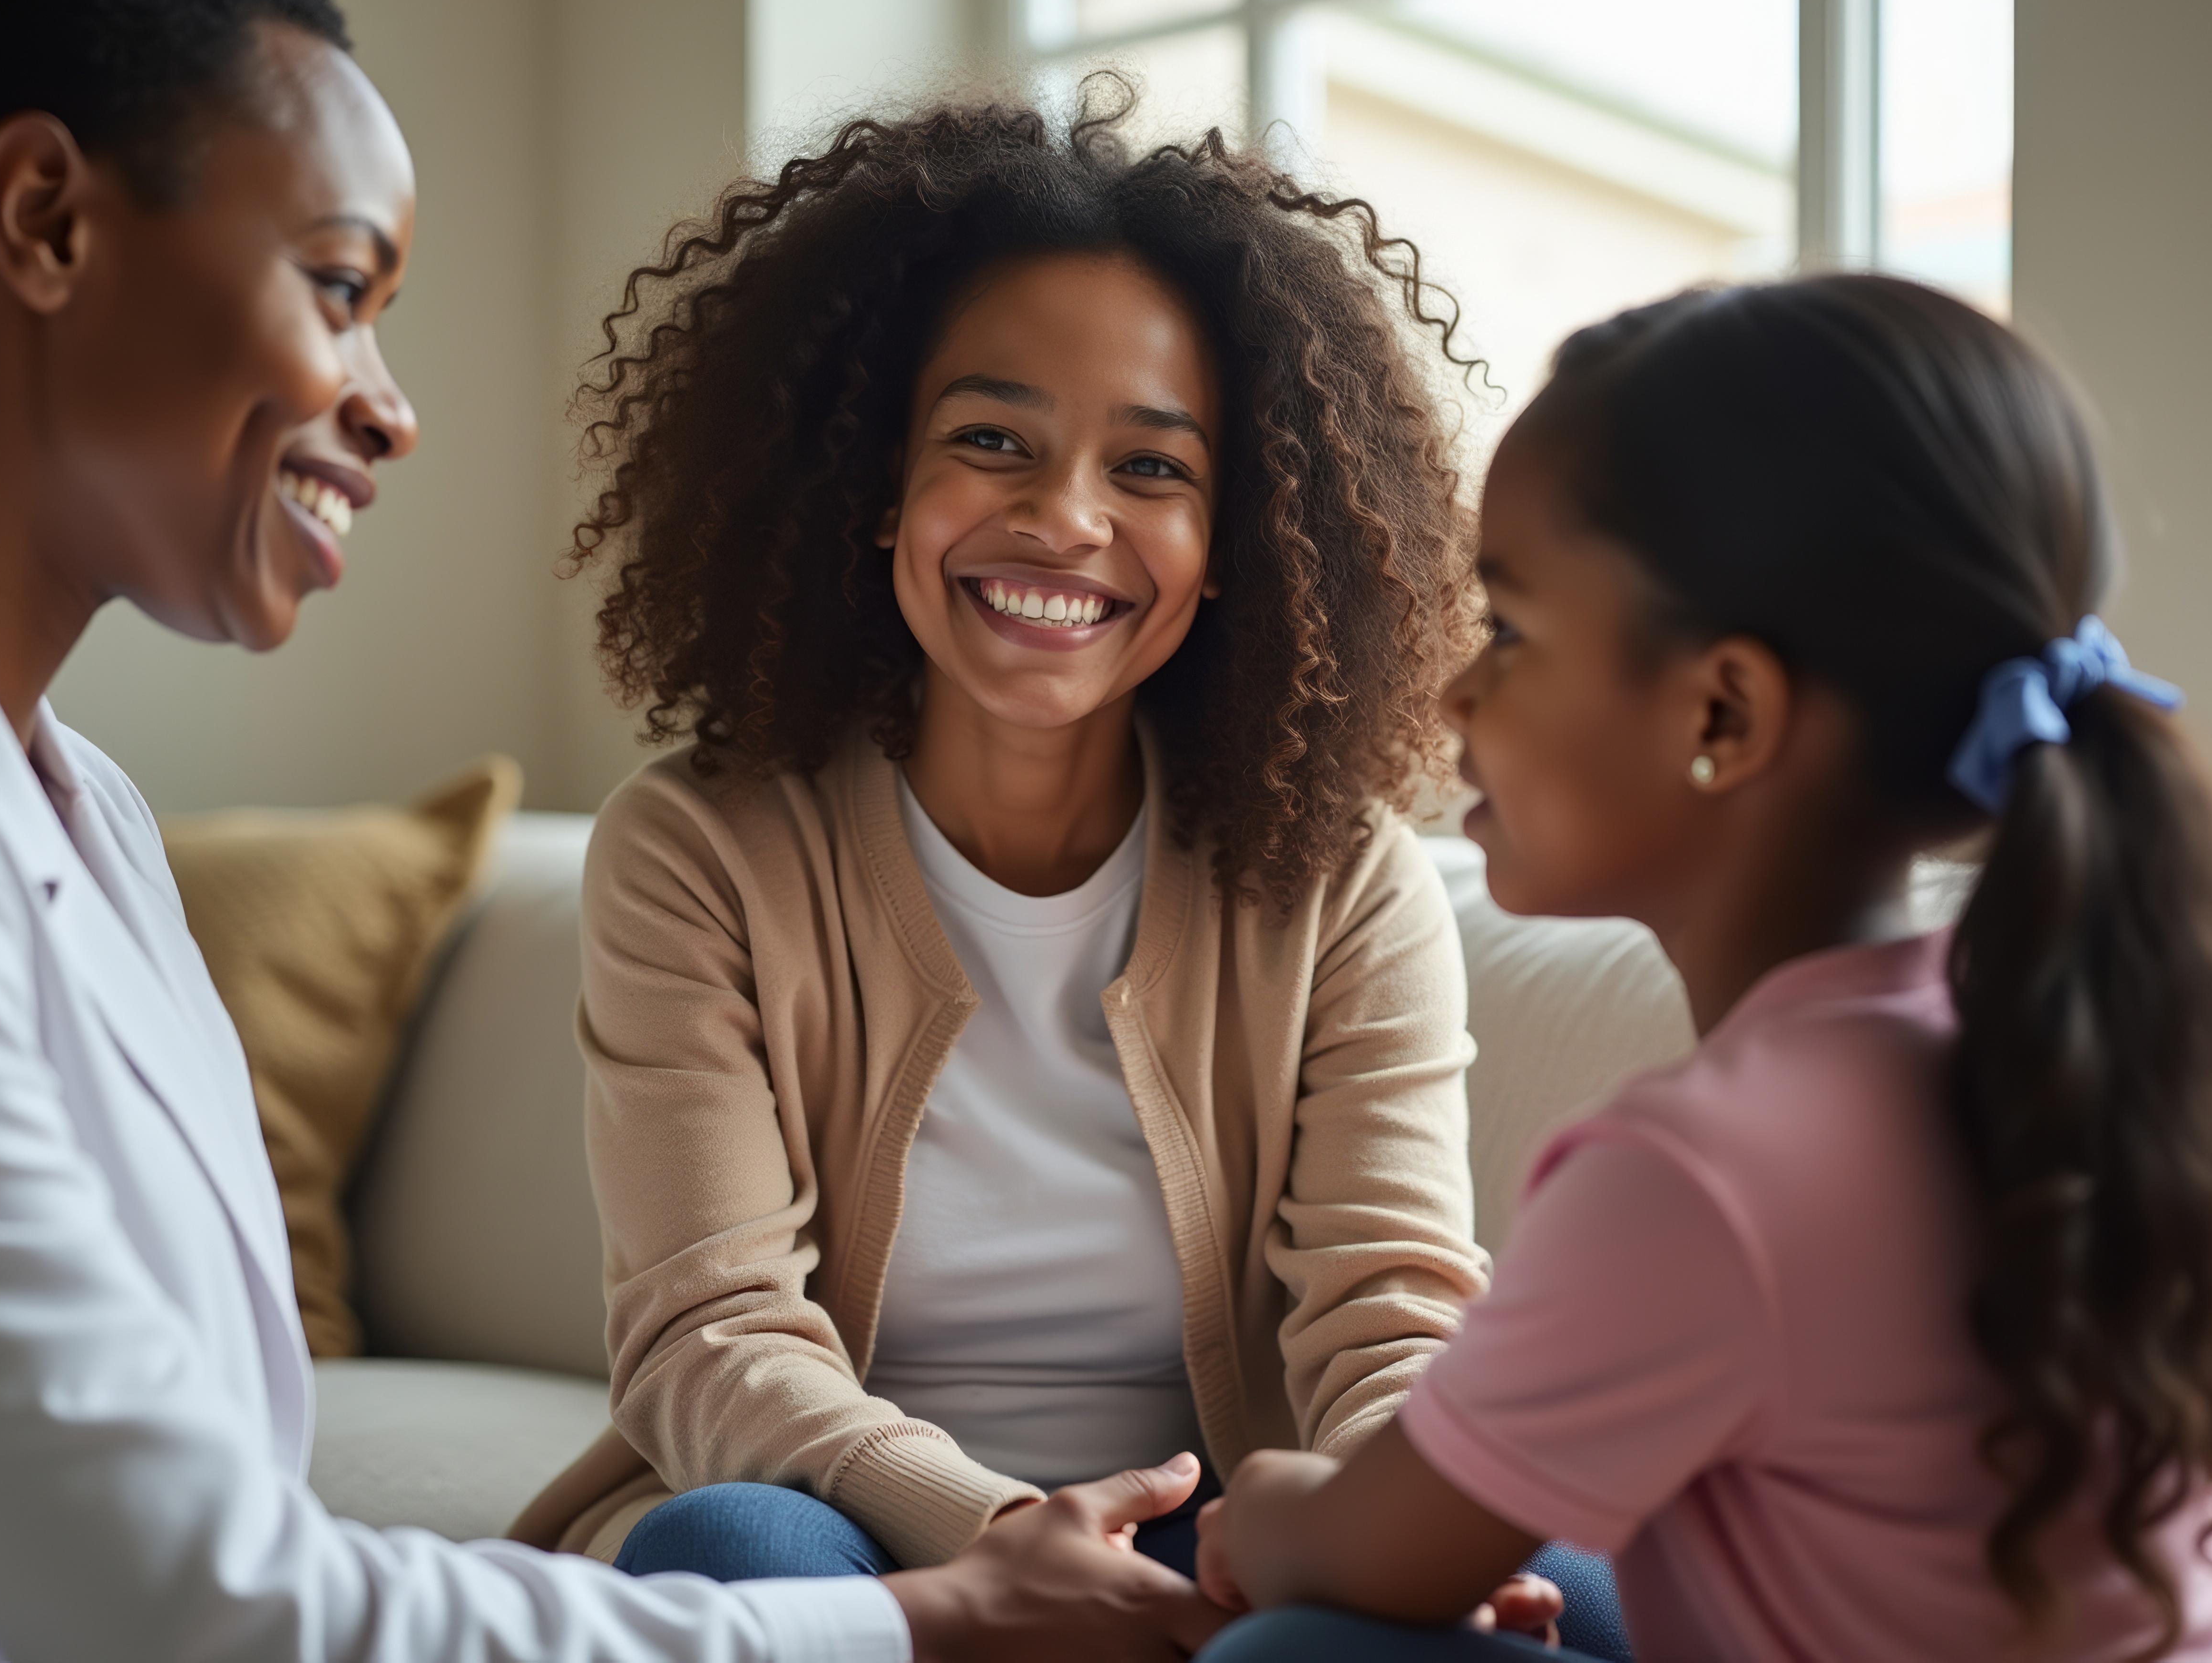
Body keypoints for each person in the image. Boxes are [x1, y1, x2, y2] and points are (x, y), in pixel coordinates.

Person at [0, 0, 1229, 1658]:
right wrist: (935, 1614)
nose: (392, 404)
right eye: (341, 288)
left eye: (1155, 464)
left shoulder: (82, 813)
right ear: (46, 219)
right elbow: (200, 1599)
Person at [507, 84, 1597, 1632]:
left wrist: (1395, 1537)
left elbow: (1390, 1310)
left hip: (1228, 1536)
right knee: (736, 1556)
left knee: (1595, 1588)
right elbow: (708, 1336)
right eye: (991, 440)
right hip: (856, 1526)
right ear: (877, 484)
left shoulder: (1341, 879)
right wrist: (1003, 1532)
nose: (1062, 518)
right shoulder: (697, 849)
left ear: (1235, 543)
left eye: (1151, 469)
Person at [1192, 276, 2212, 1661]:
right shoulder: (2018, 1043)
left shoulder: (1697, 1174)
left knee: (1294, 1651)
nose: (1457, 692)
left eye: (1509, 631)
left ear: (1724, 712)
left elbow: (1373, 1559)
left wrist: (1259, 1506)